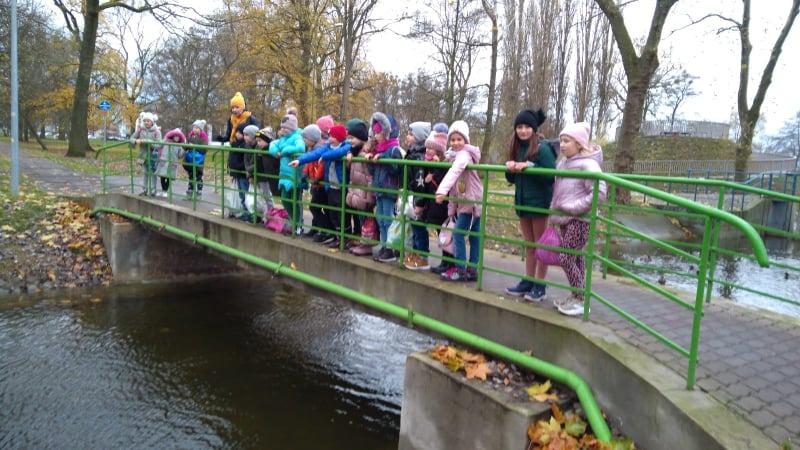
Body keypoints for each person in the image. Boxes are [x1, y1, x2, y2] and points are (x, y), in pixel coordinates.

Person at [549, 122, 607, 316]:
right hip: (565, 218)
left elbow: (599, 193)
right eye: (561, 141)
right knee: (576, 257)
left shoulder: (588, 165)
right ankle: (577, 297)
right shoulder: (563, 163)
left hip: (581, 220)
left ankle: (580, 299)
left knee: (566, 257)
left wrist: (575, 208)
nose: (562, 145)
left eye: (567, 141)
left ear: (579, 143)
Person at [503, 108, 556, 301]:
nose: (523, 131)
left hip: (539, 203)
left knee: (541, 246)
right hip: (523, 202)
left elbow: (551, 174)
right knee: (529, 245)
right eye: (519, 127)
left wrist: (530, 167)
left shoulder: (543, 148)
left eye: (526, 127)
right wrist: (510, 168)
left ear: (533, 129)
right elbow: (511, 178)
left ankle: (539, 285)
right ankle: (528, 280)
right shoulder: (517, 148)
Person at [434, 120, 483, 281]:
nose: (455, 143)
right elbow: (456, 187)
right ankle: (473, 269)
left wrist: (441, 190)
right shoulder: (457, 157)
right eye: (452, 140)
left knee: (457, 235)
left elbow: (454, 173)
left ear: (465, 140)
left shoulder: (464, 156)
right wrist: (451, 210)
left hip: (471, 204)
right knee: (475, 236)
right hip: (469, 203)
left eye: (459, 139)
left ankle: (461, 270)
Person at [290, 124, 352, 247]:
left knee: (342, 213)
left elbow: (340, 152)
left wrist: (324, 157)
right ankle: (337, 236)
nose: (330, 139)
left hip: (341, 187)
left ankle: (345, 237)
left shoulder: (346, 146)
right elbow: (316, 153)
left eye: (333, 137)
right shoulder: (328, 147)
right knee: (333, 213)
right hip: (330, 186)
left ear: (340, 138)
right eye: (329, 136)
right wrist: (300, 160)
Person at [364, 112, 403, 263]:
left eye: (378, 132)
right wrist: (370, 161)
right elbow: (373, 172)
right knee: (380, 219)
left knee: (388, 219)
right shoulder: (379, 150)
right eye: (374, 132)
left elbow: (395, 169)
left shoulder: (393, 150)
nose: (376, 135)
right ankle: (384, 245)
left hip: (388, 190)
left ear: (387, 132)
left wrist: (383, 159)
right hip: (379, 190)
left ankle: (390, 248)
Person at [215, 92, 259, 218]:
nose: (234, 110)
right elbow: (229, 135)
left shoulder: (250, 118)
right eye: (233, 107)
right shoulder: (231, 120)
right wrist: (222, 139)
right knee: (239, 187)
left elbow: (255, 135)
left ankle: (248, 212)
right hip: (235, 153)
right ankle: (241, 209)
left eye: (237, 107)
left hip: (244, 153)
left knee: (245, 186)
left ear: (243, 107)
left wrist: (243, 141)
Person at [420, 124, 453, 273]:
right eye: (427, 148)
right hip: (435, 204)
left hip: (443, 205)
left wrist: (433, 174)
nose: (427, 150)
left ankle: (448, 262)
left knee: (445, 233)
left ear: (438, 151)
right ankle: (444, 261)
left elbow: (444, 182)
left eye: (431, 148)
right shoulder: (429, 163)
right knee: (441, 233)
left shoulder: (443, 164)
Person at [269, 110, 306, 234]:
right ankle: (292, 220)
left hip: (295, 175)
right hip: (284, 175)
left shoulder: (297, 136)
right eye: (282, 127)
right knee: (285, 199)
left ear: (292, 127)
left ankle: (298, 224)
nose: (283, 129)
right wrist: (275, 151)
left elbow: (301, 147)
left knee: (295, 200)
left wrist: (286, 150)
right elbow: (273, 144)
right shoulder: (282, 139)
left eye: (286, 127)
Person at [402, 121, 432, 270]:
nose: (407, 136)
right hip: (412, 195)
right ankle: (415, 253)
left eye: (410, 134)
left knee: (419, 227)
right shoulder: (412, 153)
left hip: (418, 198)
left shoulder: (419, 156)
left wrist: (419, 203)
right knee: (414, 227)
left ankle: (422, 257)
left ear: (419, 137)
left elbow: (420, 182)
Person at [345, 118, 376, 256]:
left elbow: (369, 176)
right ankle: (364, 242)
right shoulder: (355, 152)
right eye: (349, 138)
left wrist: (370, 194)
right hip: (357, 192)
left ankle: (367, 244)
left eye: (352, 138)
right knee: (362, 218)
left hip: (364, 194)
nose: (350, 141)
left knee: (366, 219)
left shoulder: (363, 154)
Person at [299, 124, 333, 241]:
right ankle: (317, 228)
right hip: (315, 183)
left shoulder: (319, 149)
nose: (304, 141)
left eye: (306, 138)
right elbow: (309, 162)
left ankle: (326, 230)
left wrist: (318, 178)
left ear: (312, 139)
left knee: (315, 207)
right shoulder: (312, 149)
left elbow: (321, 165)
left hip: (320, 183)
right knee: (316, 206)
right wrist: (305, 173)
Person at [130, 112, 161, 196]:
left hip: (153, 156)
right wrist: (136, 141)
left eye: (148, 121)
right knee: (145, 173)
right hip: (143, 156)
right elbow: (131, 138)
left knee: (153, 173)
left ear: (152, 122)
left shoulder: (156, 131)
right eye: (145, 121)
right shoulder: (140, 130)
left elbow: (159, 144)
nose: (146, 122)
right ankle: (145, 189)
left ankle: (153, 190)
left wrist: (149, 142)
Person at [249, 127, 277, 213]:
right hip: (260, 176)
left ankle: (271, 213)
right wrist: (251, 174)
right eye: (257, 141)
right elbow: (255, 164)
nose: (258, 143)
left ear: (267, 140)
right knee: (262, 196)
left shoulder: (270, 151)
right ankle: (265, 213)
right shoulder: (259, 151)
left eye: (260, 141)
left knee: (267, 197)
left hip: (266, 178)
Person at [155, 128, 187, 198]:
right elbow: (158, 146)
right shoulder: (166, 142)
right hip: (164, 162)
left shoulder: (179, 146)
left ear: (180, 138)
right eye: (175, 136)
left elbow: (180, 155)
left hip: (172, 164)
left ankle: (165, 191)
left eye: (178, 137)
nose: (176, 138)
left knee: (169, 178)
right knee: (162, 177)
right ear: (172, 136)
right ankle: (163, 190)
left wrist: (185, 150)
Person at [184, 119, 208, 199]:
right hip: (191, 159)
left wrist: (194, 146)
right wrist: (187, 145)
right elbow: (185, 146)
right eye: (194, 127)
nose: (194, 129)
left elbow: (204, 149)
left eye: (197, 128)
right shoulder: (190, 136)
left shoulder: (204, 138)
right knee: (191, 175)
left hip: (199, 161)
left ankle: (199, 191)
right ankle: (190, 190)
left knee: (198, 176)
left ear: (200, 129)